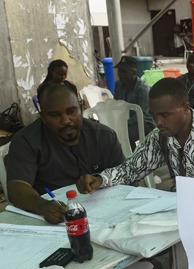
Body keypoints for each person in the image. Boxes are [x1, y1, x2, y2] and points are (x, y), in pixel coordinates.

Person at [77, 78, 194, 194]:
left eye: (165, 115)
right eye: (154, 115)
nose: (158, 122)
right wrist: (100, 179)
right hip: (182, 214)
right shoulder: (161, 138)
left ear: (186, 108)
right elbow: (132, 168)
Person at [6, 84, 124, 224]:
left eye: (71, 111)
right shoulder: (27, 141)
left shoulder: (104, 136)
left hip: (107, 216)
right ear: (43, 117)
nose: (66, 121)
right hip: (53, 221)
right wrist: (41, 206)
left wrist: (100, 179)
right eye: (55, 115)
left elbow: (125, 177)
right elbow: (16, 187)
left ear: (81, 108)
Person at [113, 56, 156, 147]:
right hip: (125, 122)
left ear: (133, 72)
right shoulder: (118, 85)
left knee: (125, 136)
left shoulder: (142, 88)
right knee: (110, 134)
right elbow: (115, 105)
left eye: (124, 72)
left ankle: (131, 157)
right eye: (119, 71)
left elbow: (142, 114)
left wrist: (124, 124)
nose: (121, 74)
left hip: (145, 123)